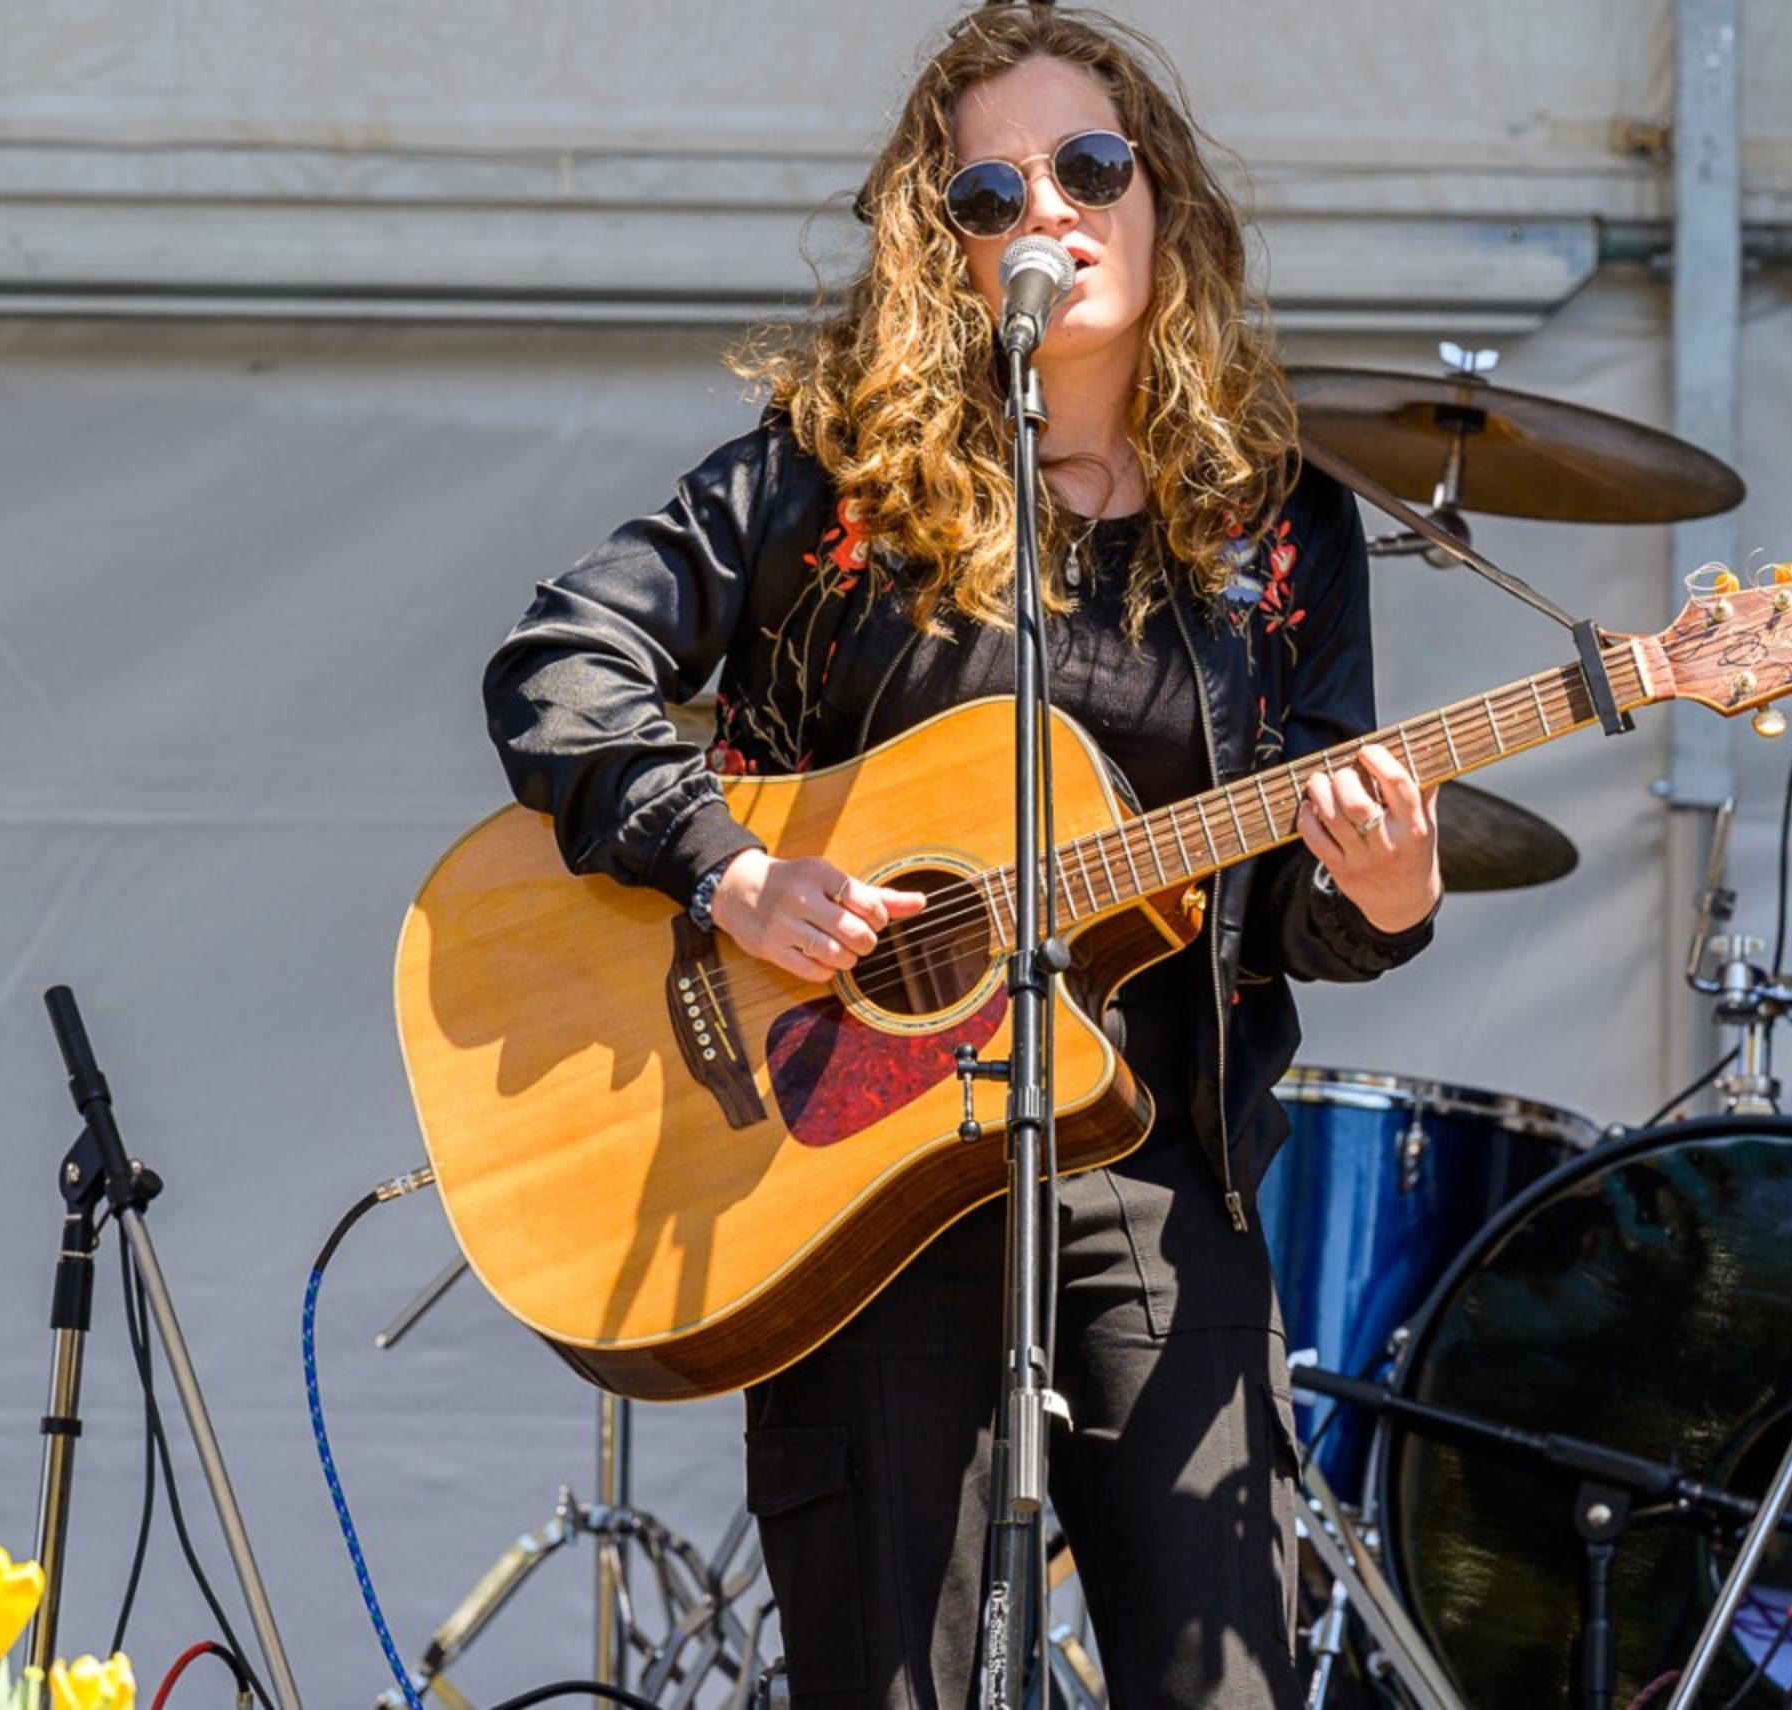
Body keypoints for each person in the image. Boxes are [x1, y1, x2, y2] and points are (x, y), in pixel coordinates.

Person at [483, 7, 1440, 1704]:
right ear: (946, 248)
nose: (1049, 214)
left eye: (1089, 168)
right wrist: (726, 867)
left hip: (1154, 1157)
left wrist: (1379, 896)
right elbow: (562, 661)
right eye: (993, 193)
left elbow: (1275, 894)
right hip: (851, 1164)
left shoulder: (1277, 524)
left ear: (1166, 205)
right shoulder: (834, 476)